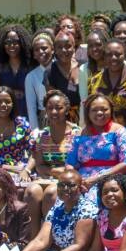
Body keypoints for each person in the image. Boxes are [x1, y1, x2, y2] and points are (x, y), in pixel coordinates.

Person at [25, 91, 81, 236]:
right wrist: (56, 171)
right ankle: (34, 237)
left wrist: (57, 171)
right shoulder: (41, 135)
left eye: (59, 108)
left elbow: (78, 165)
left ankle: (50, 237)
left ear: (67, 110)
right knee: (32, 192)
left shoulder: (78, 134)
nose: (54, 112)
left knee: (51, 193)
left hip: (69, 180)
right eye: (50, 108)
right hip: (46, 177)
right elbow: (39, 165)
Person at [0, 25, 34, 119]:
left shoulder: (31, 66)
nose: (11, 45)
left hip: (30, 111)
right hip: (6, 114)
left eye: (16, 42)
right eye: (7, 42)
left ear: (22, 43)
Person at [45, 30, 82, 121]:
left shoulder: (82, 67)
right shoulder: (50, 71)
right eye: (59, 47)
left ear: (74, 47)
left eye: (68, 46)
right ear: (55, 50)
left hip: (84, 115)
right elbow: (52, 101)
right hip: (60, 118)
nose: (64, 50)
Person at [77, 29, 107, 123]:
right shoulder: (84, 69)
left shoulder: (119, 65)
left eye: (98, 44)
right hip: (94, 120)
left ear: (106, 45)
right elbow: (84, 101)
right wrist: (84, 125)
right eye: (90, 46)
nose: (94, 49)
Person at [25, 31, 54, 127]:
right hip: (45, 119)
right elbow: (31, 108)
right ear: (34, 55)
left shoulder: (61, 69)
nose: (41, 52)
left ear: (52, 49)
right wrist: (35, 130)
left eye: (44, 48)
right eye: (37, 50)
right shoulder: (31, 76)